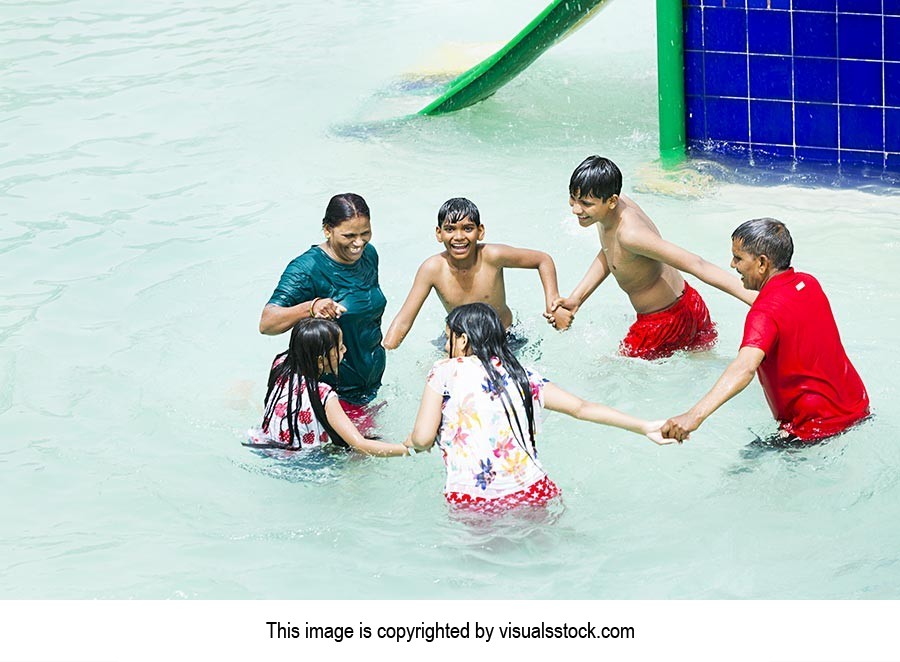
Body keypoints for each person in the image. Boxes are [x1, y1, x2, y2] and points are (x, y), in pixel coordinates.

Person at [402, 303, 671, 513]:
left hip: (473, 500)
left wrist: (411, 441)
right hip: (532, 492)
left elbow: (423, 438)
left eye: (449, 339)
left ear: (462, 340)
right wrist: (645, 426)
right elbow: (581, 408)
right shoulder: (523, 374)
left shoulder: (444, 370)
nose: (447, 347)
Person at [661, 218, 870, 444]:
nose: (733, 265)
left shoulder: (763, 314)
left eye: (738, 258)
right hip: (858, 408)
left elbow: (744, 368)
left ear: (762, 263)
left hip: (815, 429)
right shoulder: (809, 283)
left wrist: (693, 416)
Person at [550, 156, 756, 359]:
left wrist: (757, 299)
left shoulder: (630, 234)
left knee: (607, 374)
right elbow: (611, 252)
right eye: (573, 199)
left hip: (662, 324)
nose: (576, 209)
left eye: (585, 203)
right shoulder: (608, 207)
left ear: (612, 201)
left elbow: (696, 264)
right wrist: (577, 299)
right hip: (688, 303)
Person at [259, 193, 386, 433]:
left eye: (365, 233)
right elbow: (267, 322)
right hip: (331, 394)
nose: (359, 243)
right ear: (327, 230)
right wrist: (311, 306)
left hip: (367, 386)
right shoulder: (307, 268)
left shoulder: (369, 256)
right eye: (349, 235)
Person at [382, 197, 572, 350]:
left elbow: (542, 260)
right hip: (459, 342)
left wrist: (552, 303)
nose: (459, 237)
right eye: (450, 229)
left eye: (467, 228)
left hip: (503, 336)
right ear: (439, 234)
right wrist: (387, 349)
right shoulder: (432, 269)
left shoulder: (493, 256)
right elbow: (404, 319)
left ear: (480, 231)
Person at [246, 319, 411, 457]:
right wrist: (407, 449)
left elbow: (299, 346)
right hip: (302, 462)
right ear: (320, 360)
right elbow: (360, 444)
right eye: (339, 348)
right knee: (358, 457)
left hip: (262, 445)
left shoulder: (280, 365)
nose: (345, 350)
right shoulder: (324, 394)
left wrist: (315, 325)